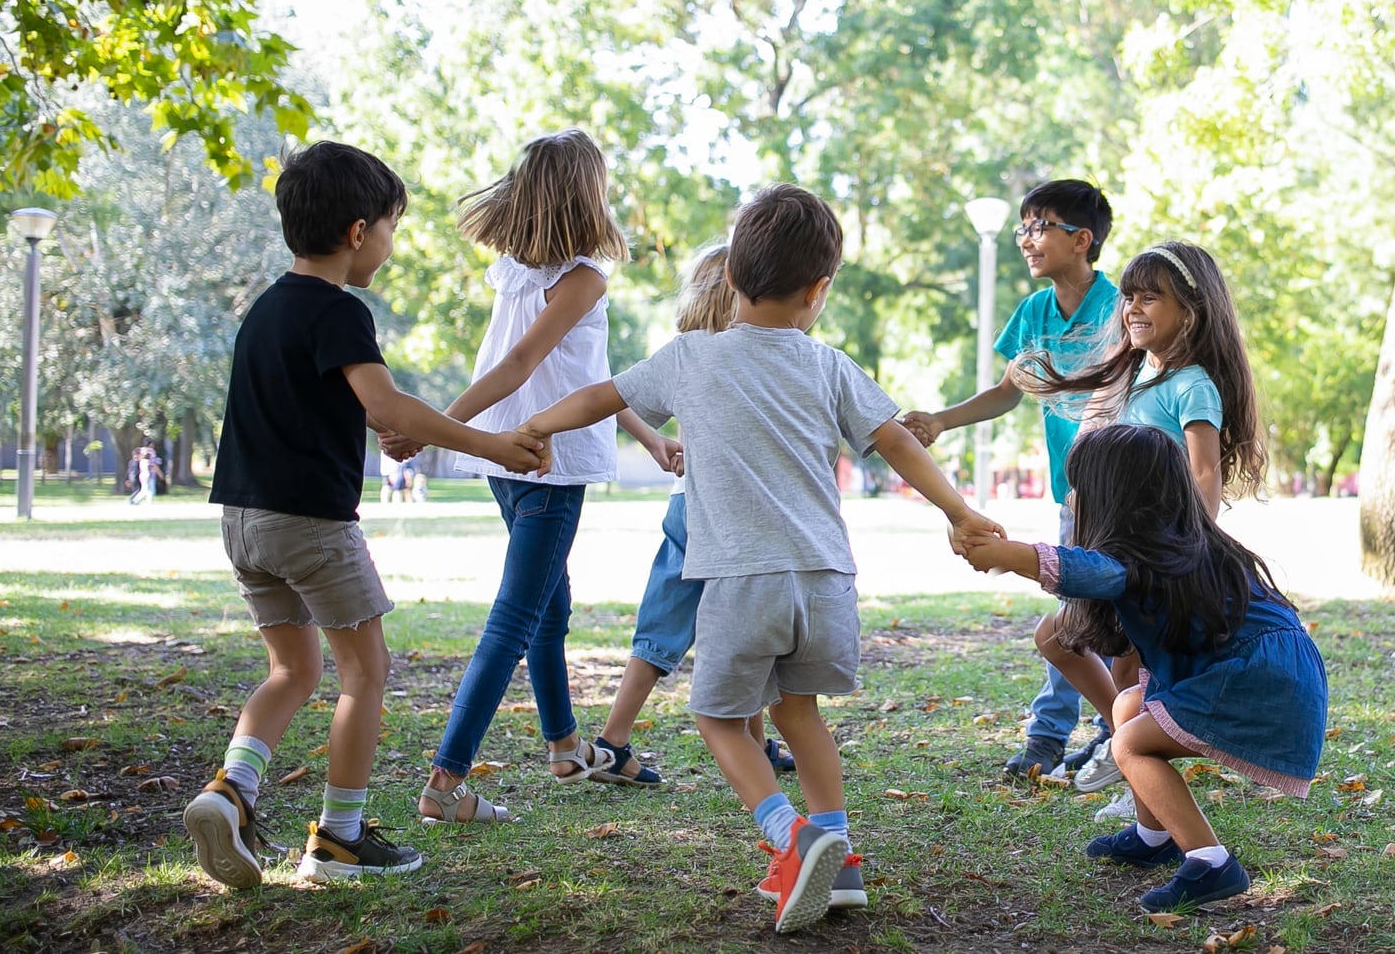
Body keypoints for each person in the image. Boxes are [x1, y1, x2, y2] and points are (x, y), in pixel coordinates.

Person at [519, 183, 999, 933]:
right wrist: (960, 511)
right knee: (799, 713)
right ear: (819, 290)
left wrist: (537, 426)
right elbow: (898, 441)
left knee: (716, 717)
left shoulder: (690, 357)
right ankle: (840, 859)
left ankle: (791, 836)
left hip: (743, 581)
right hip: (827, 581)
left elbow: (601, 398)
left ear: (730, 276)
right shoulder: (829, 364)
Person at [184, 141, 544, 890]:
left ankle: (232, 790)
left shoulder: (265, 309)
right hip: (311, 525)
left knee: (292, 669)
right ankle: (340, 837)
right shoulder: (340, 311)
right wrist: (494, 444)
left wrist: (386, 425)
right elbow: (386, 404)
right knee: (365, 672)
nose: (390, 242)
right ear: (358, 232)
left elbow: (335, 407)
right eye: (390, 227)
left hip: (243, 522)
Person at [385, 130, 657, 825]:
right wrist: (431, 425)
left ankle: (564, 746)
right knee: (516, 616)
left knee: (549, 605)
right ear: (587, 194)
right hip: (545, 461)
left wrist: (652, 437)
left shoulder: (514, 270)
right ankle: (445, 781)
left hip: (505, 457)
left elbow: (591, 375)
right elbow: (517, 367)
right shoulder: (583, 277)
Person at [958, 424, 1326, 911]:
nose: (1071, 499)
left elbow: (1087, 570)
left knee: (1129, 744)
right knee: (1128, 708)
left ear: (1115, 499)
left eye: (1080, 487)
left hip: (1256, 683)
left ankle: (1211, 863)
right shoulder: (1179, 546)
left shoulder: (1144, 559)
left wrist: (1012, 556)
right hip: (1263, 676)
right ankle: (1154, 836)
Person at [1020, 241, 1265, 814]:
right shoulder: (1132, 375)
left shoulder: (1192, 385)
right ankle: (1121, 741)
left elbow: (1204, 472)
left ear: (1190, 312)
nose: (1132, 307)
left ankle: (1140, 787)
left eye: (1150, 297)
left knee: (1130, 667)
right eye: (1129, 296)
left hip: (1159, 557)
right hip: (1115, 550)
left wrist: (1195, 548)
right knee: (1057, 638)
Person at [899, 179, 1120, 784]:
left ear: (1082, 239)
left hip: (1123, 494)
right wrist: (940, 420)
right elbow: (1007, 392)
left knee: (1086, 614)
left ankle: (1062, 734)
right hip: (1072, 494)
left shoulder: (1121, 307)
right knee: (1079, 612)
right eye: (1023, 227)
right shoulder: (1033, 314)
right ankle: (1108, 730)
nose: (1026, 239)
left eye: (1039, 226)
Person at [582, 243, 797, 792]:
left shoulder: (688, 353)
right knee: (741, 620)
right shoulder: (751, 355)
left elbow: (614, 395)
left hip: (687, 504)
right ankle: (619, 741)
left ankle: (617, 739)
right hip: (726, 512)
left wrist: (656, 440)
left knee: (673, 621)